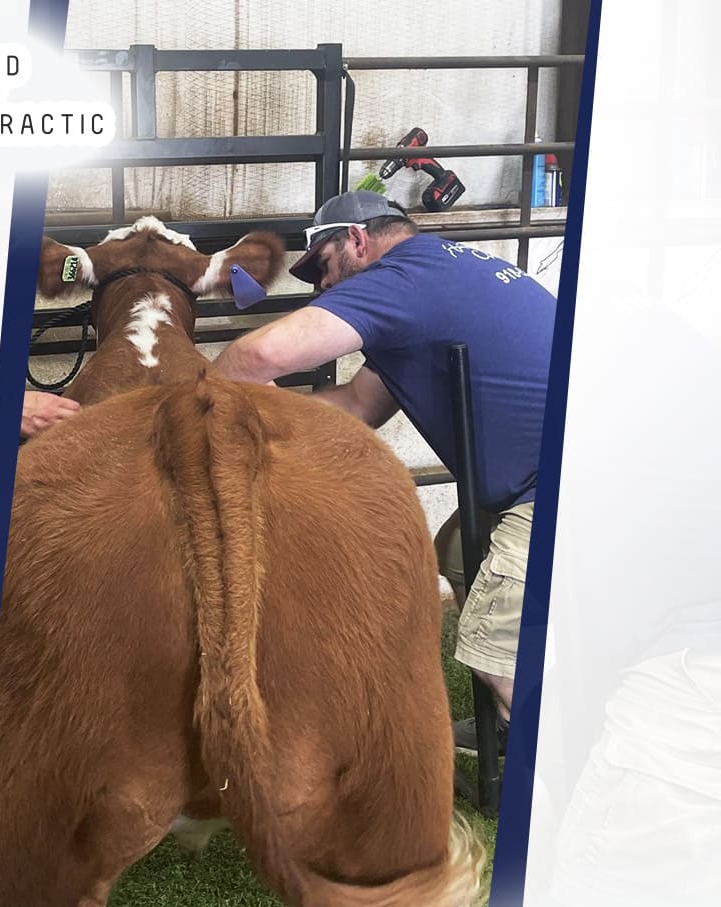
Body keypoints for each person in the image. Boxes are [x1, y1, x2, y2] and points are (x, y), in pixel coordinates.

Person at [214, 190, 556, 752]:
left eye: (322, 268)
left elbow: (259, 357)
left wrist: (202, 395)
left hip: (561, 489)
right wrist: (268, 410)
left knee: (496, 653)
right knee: (455, 550)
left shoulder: (405, 277)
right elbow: (355, 406)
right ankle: (511, 724)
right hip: (542, 478)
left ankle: (562, 768)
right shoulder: (438, 277)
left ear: (356, 241)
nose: (322, 287)